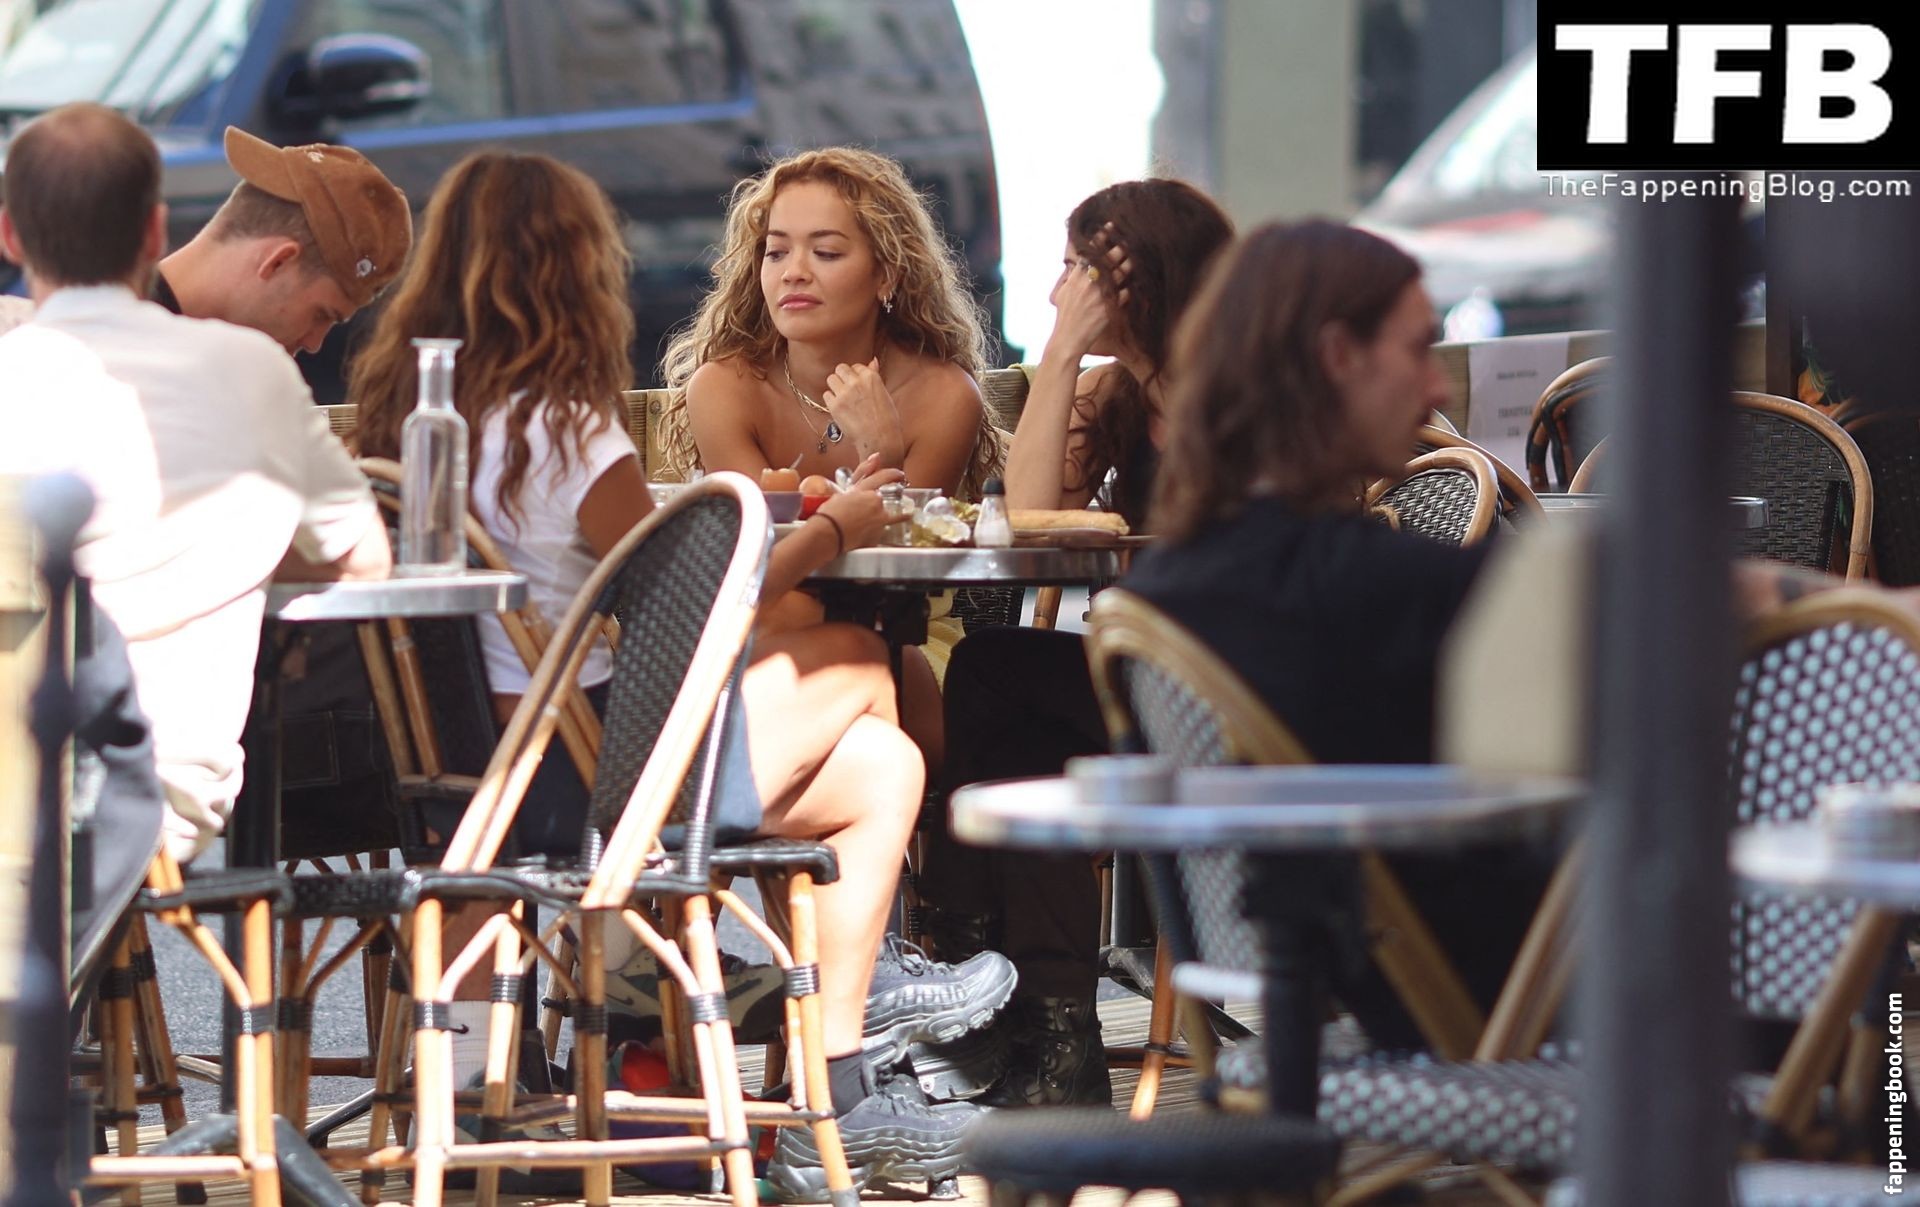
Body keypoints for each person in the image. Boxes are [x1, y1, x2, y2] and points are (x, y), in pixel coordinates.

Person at [349, 151, 1010, 1199]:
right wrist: (836, 525)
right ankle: (837, 1047)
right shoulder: (570, 428)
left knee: (884, 764)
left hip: (466, 770)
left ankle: (835, 1090)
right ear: (574, 272)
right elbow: (702, 596)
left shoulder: (410, 425)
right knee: (856, 660)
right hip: (588, 779)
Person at [0, 103, 391, 863]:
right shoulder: (254, 374)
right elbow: (366, 558)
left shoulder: (18, 355)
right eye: (322, 315)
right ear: (154, 232)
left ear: (12, 237)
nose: (316, 345)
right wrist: (243, 542)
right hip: (142, 799)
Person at [920, 180, 1234, 1107]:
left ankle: (990, 978)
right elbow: (1025, 514)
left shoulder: (1244, 389)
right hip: (1144, 681)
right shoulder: (1117, 392)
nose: (1060, 294)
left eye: (1078, 274)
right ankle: (1057, 1041)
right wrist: (1059, 356)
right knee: (1018, 729)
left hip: (1240, 697)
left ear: (1142, 281)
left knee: (997, 678)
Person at [657, 146, 1006, 765]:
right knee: (786, 611)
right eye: (776, 252)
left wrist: (883, 452)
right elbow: (756, 564)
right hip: (765, 622)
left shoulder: (944, 395)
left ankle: (732, 799)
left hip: (902, 636)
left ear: (886, 275)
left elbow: (901, 578)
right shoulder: (725, 387)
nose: (793, 272)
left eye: (825, 253)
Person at [153, 126, 412, 354]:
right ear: (278, 262)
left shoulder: (153, 337)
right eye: (321, 315)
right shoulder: (139, 356)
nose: (314, 343)